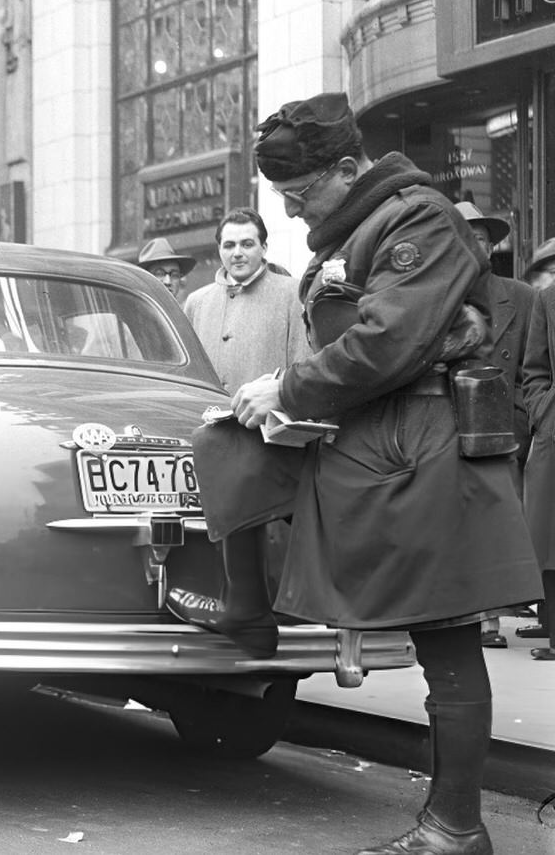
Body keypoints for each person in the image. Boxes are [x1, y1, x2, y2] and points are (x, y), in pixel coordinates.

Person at [168, 92, 540, 855]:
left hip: (425, 450)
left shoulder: (418, 219)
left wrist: (288, 388)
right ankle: (248, 613)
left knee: (449, 642)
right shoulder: (363, 225)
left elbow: (386, 342)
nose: (298, 214)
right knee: (227, 450)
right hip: (377, 440)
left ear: (346, 167)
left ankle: (455, 828)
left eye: (303, 195)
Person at [454, 202, 535, 650]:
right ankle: (468, 614)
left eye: (482, 239)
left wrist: (521, 415)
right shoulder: (435, 295)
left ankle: (489, 617)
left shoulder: (521, 296)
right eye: (466, 238)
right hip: (447, 424)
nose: (475, 247)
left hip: (504, 429)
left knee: (498, 523)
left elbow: (532, 364)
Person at [184, 207, 310, 393]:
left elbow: (303, 367)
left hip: (268, 418)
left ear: (264, 248)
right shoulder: (197, 302)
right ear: (219, 250)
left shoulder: (293, 293)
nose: (237, 253)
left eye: (247, 244)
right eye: (229, 245)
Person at [519, 281, 555, 661]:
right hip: (554, 432)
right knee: (550, 539)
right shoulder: (548, 298)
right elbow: (535, 370)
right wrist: (545, 412)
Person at [136, 237, 195, 302]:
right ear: (145, 279)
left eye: (174, 275)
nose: (168, 282)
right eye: (160, 274)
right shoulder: (133, 311)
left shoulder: (181, 311)